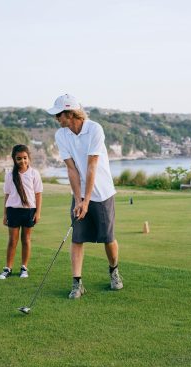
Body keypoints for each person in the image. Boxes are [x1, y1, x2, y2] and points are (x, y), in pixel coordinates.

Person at [47, 94, 123, 298]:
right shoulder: (61, 135)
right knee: (77, 238)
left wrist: (87, 200)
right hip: (80, 193)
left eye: (59, 114)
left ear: (70, 113)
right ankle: (77, 283)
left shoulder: (95, 129)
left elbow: (92, 166)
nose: (56, 118)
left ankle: (114, 270)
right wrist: (79, 199)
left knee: (108, 238)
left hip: (103, 192)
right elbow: (72, 169)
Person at [0, 144, 43, 279]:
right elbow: (7, 195)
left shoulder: (34, 174)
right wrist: (5, 214)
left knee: (26, 240)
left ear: (29, 158)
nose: (22, 161)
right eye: (19, 158)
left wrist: (38, 212)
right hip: (13, 210)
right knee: (12, 240)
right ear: (14, 159)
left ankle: (24, 268)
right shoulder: (9, 175)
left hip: (29, 211)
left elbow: (38, 194)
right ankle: (8, 268)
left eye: (25, 158)